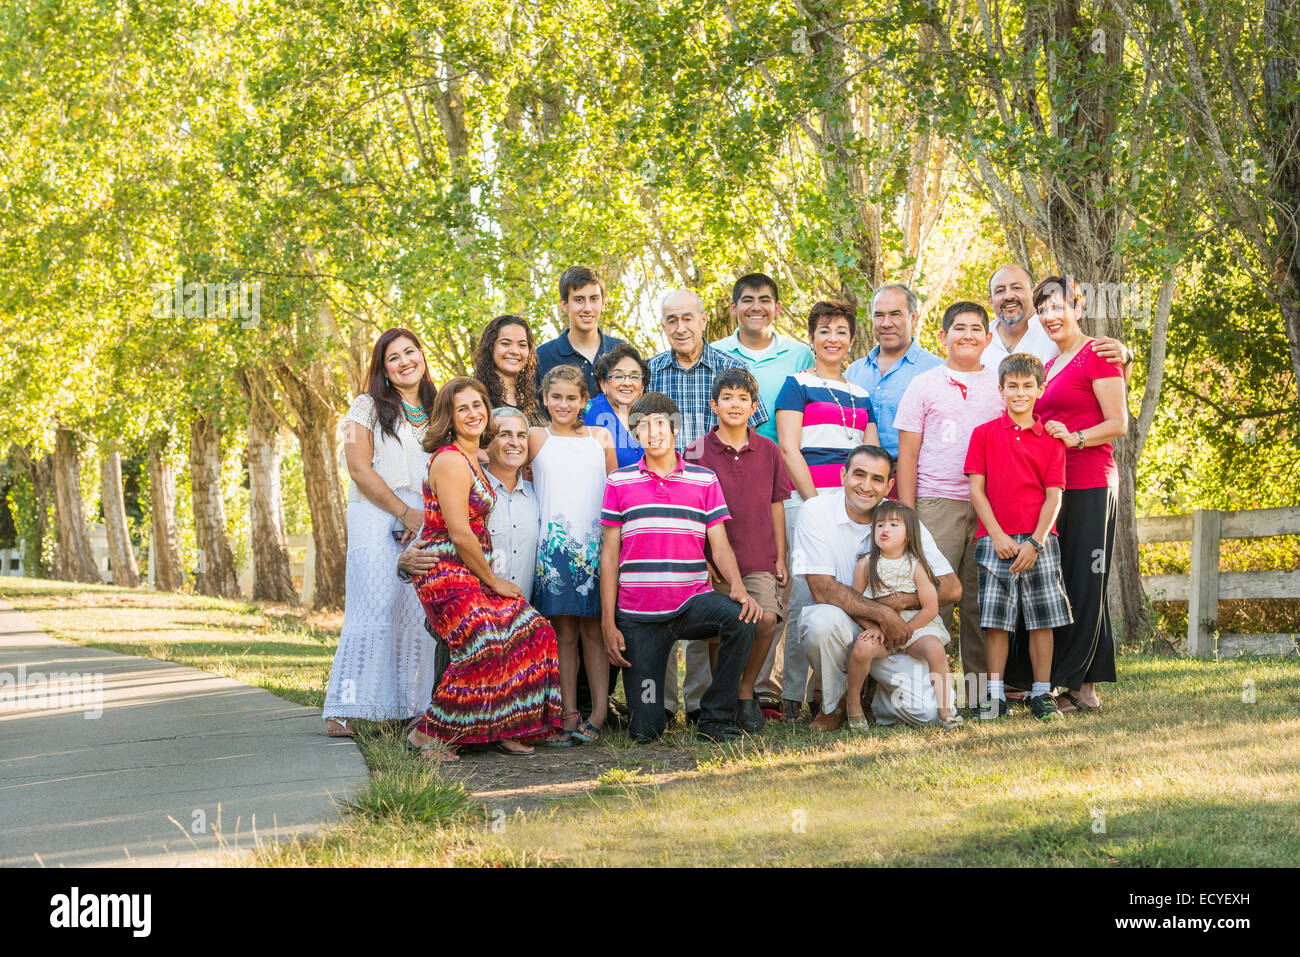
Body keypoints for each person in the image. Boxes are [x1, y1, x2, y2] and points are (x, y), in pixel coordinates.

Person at [405, 378, 562, 761]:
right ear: (449, 416)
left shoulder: (474, 456)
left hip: (472, 572)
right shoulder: (449, 460)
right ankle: (429, 733)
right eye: (463, 408)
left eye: (478, 404)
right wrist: (493, 581)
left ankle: (508, 725)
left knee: (535, 630)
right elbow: (459, 533)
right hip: (445, 573)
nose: (474, 413)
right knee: (485, 644)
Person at [599, 392, 761, 743]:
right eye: (643, 427)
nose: (653, 432)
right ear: (635, 434)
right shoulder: (619, 482)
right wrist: (609, 622)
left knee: (743, 618)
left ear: (674, 428)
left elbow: (719, 544)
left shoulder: (703, 480)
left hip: (692, 604)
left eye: (660, 424)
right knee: (645, 730)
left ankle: (716, 718)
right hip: (638, 616)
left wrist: (737, 586)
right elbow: (610, 556)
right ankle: (649, 711)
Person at [1003, 277, 1128, 714]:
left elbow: (1118, 422)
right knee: (1072, 583)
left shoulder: (1099, 354)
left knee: (1084, 580)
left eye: (1058, 306)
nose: (1051, 316)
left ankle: (1070, 684)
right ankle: (1086, 688)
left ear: (1078, 306)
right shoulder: (1052, 363)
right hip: (1056, 487)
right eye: (1044, 310)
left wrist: (1074, 439)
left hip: (1091, 480)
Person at [648, 288, 769, 720]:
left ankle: (700, 702)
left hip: (715, 498)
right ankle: (658, 704)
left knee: (705, 594)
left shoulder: (730, 371)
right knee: (662, 594)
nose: (680, 327)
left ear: (703, 320)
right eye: (670, 320)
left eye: (687, 318)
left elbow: (752, 433)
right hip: (663, 498)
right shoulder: (651, 371)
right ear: (663, 325)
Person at [794, 445, 961, 731]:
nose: (866, 486)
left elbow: (951, 587)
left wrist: (896, 603)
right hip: (846, 625)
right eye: (859, 475)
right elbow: (822, 589)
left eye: (877, 479)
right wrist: (883, 615)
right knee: (820, 621)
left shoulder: (903, 521)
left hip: (897, 632)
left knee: (926, 713)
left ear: (889, 486)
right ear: (843, 474)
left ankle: (878, 699)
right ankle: (832, 706)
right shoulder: (816, 511)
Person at [323, 328, 438, 737]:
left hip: (424, 516)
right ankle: (345, 709)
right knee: (374, 609)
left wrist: (422, 515)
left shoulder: (437, 406)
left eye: (412, 351)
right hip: (376, 513)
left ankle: (408, 707)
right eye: (394, 357)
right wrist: (402, 511)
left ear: (422, 356)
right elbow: (358, 468)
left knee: (416, 611)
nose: (406, 361)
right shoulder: (365, 406)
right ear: (383, 368)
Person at [773, 300, 878, 721]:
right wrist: (816, 503)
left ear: (851, 340)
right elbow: (789, 447)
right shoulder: (796, 383)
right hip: (809, 502)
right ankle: (792, 697)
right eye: (824, 331)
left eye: (841, 332)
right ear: (812, 338)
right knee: (804, 598)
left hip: (854, 509)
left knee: (848, 595)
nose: (833, 339)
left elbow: (870, 455)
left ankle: (830, 695)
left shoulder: (862, 394)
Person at [893, 301, 1002, 696]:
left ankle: (980, 693)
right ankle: (922, 691)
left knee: (980, 601)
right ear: (942, 336)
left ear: (988, 339)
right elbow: (906, 454)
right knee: (934, 597)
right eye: (958, 328)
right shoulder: (924, 384)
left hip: (989, 506)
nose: (967, 335)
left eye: (976, 328)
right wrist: (907, 512)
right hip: (936, 503)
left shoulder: (999, 385)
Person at [685, 368, 792, 733]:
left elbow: (777, 503)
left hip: (759, 555)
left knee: (764, 620)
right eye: (727, 397)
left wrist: (780, 554)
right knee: (722, 629)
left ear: (754, 406)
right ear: (714, 405)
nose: (735, 404)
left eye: (742, 398)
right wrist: (701, 557)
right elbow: (688, 510)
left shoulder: (769, 450)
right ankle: (724, 700)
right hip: (714, 562)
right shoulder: (696, 450)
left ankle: (745, 690)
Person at [966, 353, 1072, 721]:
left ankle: (1042, 694)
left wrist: (1036, 542)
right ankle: (994, 696)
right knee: (995, 621)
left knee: (1041, 620)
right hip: (995, 540)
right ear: (1001, 390)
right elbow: (977, 491)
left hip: (1040, 541)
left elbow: (1054, 495)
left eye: (1029, 386)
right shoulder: (983, 435)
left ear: (1041, 389)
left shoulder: (1052, 439)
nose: (1020, 392)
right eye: (1013, 386)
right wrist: (996, 536)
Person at [529, 365, 618, 745]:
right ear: (545, 399)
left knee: (594, 632)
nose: (563, 404)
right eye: (556, 397)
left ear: (584, 400)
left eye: (571, 398)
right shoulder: (535, 437)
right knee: (562, 633)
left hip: (594, 545)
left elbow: (614, 493)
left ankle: (599, 711)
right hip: (553, 546)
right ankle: (568, 713)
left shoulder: (601, 437)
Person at [844, 501, 961, 729]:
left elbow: (930, 607)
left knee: (934, 648)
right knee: (861, 649)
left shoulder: (917, 566)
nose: (884, 529)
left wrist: (908, 630)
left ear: (909, 535)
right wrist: (874, 628)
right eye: (879, 525)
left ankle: (945, 711)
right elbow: (854, 604)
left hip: (917, 628)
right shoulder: (865, 564)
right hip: (881, 631)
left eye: (893, 525)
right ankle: (853, 705)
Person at [711, 272, 814, 445]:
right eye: (748, 300)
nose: (756, 307)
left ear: (777, 308)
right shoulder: (714, 352)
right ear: (733, 307)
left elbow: (811, 418)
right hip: (726, 463)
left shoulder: (801, 355)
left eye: (765, 300)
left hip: (786, 465)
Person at [844, 283, 943, 461]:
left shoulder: (936, 371)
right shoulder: (853, 372)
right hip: (860, 479)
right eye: (879, 315)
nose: (886, 323)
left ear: (913, 317)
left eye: (895, 314)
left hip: (917, 478)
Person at [982, 264, 1136, 372]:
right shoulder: (978, 339)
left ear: (1032, 292)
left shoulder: (1052, 328)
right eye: (1000, 290)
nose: (1008, 296)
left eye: (1017, 288)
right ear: (991, 300)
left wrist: (1125, 357)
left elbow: (1092, 362)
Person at [535, 266, 625, 405]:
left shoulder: (621, 351)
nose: (588, 308)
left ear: (603, 302)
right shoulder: (542, 356)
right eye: (579, 300)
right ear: (564, 305)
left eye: (594, 299)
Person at [473, 314, 546, 426]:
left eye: (522, 345)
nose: (515, 351)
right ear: (490, 347)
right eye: (505, 344)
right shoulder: (477, 396)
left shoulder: (533, 399)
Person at [586, 343, 649, 468]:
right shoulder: (587, 412)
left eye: (635, 376)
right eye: (619, 376)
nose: (627, 383)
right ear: (603, 384)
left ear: (642, 386)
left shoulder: (648, 414)